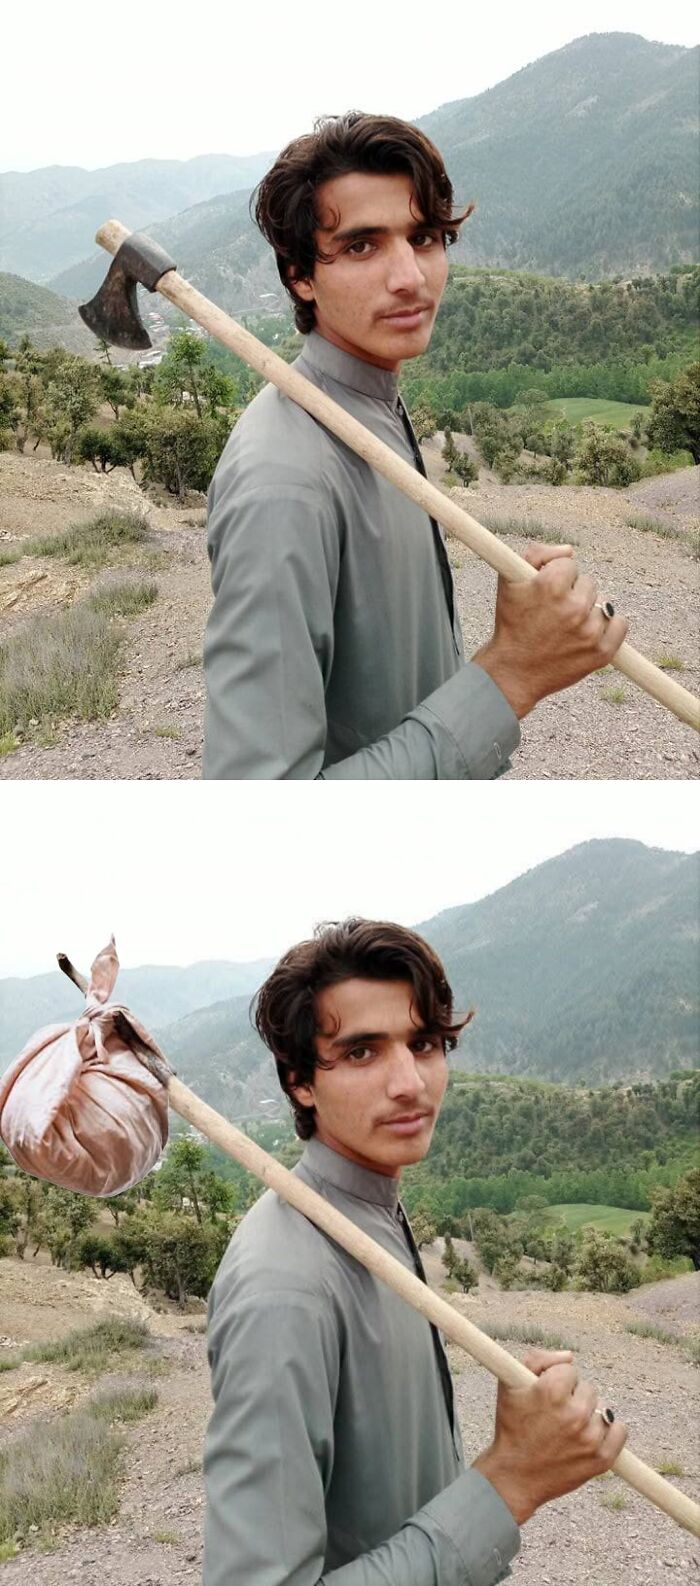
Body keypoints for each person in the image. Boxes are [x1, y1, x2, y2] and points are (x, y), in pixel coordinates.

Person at [203, 112, 627, 780]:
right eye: (362, 247)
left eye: (424, 237)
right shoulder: (282, 484)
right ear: (299, 275)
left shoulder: (370, 407)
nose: (410, 277)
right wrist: (510, 672)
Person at [203, 919, 627, 1584]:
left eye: (424, 1043)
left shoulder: (371, 1213)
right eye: (362, 1053)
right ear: (299, 1082)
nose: (410, 1083)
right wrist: (510, 1478)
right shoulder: (283, 1288)